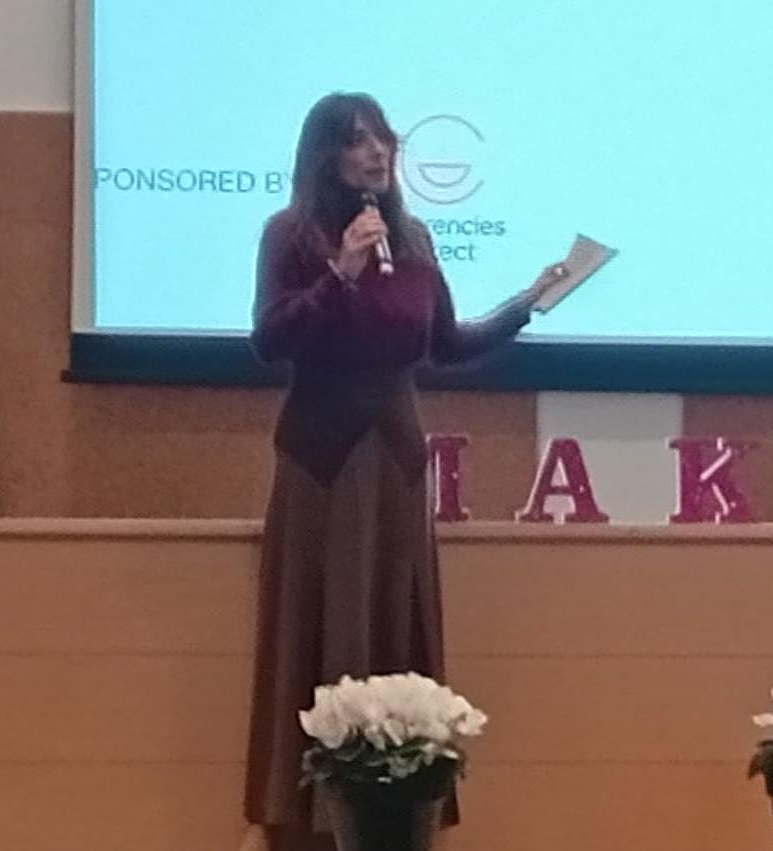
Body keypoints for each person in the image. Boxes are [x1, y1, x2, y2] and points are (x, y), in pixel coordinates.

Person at [243, 92, 567, 850]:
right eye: (357, 142)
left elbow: (445, 343)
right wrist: (340, 273)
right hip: (323, 461)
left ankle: (394, 812)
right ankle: (305, 818)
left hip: (395, 460)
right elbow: (268, 338)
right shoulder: (290, 236)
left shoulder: (414, 238)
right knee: (322, 629)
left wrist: (528, 302)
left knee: (389, 624)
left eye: (382, 138)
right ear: (326, 154)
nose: (376, 152)